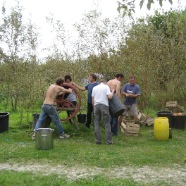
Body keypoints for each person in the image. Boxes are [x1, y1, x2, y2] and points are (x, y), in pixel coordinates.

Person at [92, 79, 114, 144]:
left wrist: (94, 108)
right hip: (104, 105)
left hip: (96, 105)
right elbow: (110, 97)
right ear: (105, 82)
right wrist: (112, 91)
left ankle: (98, 140)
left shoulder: (94, 88)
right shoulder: (106, 87)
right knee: (107, 123)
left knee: (96, 123)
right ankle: (109, 141)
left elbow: (93, 99)